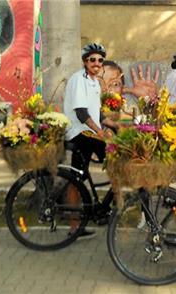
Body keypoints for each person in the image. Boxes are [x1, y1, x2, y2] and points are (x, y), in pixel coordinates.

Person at [63, 43, 111, 239]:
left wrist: (116, 126)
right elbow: (82, 113)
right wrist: (101, 132)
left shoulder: (94, 82)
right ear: (85, 62)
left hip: (88, 132)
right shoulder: (78, 79)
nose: (97, 63)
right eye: (92, 59)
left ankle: (103, 209)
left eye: (100, 60)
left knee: (79, 179)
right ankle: (75, 226)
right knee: (115, 158)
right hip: (79, 132)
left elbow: (96, 113)